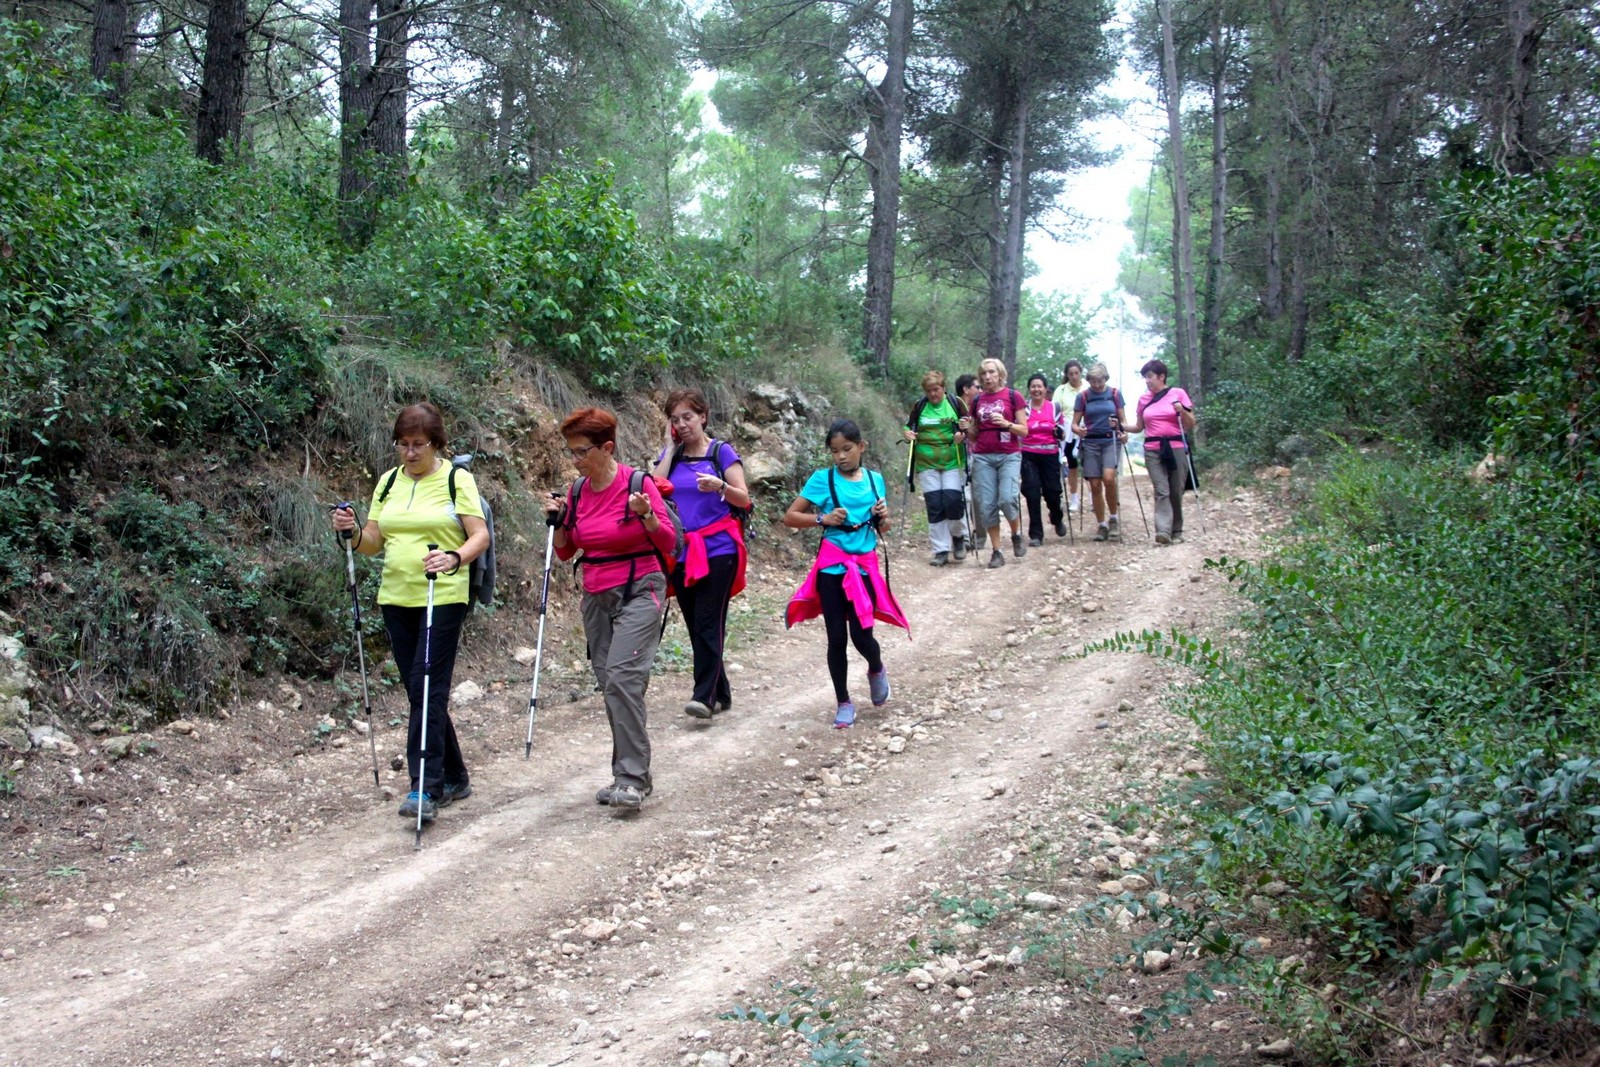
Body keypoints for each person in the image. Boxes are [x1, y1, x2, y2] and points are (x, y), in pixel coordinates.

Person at [331, 402, 490, 824]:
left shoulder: (456, 479)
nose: (410, 452)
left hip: (443, 595)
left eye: (418, 444)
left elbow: (479, 536)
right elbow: (372, 542)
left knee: (427, 686)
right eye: (402, 444)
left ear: (436, 443)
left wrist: (453, 557)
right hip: (396, 599)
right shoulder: (388, 482)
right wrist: (351, 530)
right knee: (420, 691)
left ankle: (425, 786)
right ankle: (455, 776)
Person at [544, 407, 677, 811]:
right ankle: (634, 775)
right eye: (570, 452)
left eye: (581, 452)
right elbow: (565, 552)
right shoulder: (577, 492)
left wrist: (647, 515)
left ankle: (630, 779)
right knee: (612, 683)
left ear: (607, 448)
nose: (574, 460)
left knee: (621, 678)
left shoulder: (637, 484)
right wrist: (558, 521)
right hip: (597, 595)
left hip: (641, 589)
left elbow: (670, 541)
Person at [782, 419, 907, 729]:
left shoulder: (875, 481)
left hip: (864, 566)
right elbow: (790, 517)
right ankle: (843, 702)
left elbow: (884, 528)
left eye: (847, 449)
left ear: (861, 447)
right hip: (831, 566)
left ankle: (876, 668)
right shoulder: (822, 480)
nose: (840, 456)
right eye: (834, 451)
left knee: (862, 636)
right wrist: (822, 518)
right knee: (836, 637)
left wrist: (883, 518)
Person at [652, 388, 750, 720]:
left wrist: (721, 486)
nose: (682, 424)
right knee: (696, 624)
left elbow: (744, 499)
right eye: (675, 419)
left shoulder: (721, 452)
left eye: (688, 417)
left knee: (708, 621)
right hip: (683, 551)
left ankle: (703, 697)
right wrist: (669, 449)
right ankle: (721, 691)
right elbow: (652, 490)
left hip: (719, 547)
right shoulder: (673, 457)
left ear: (703, 417)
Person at [959, 357, 1028, 568]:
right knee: (987, 505)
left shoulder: (1013, 396)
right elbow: (974, 435)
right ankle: (997, 551)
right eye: (984, 373)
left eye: (991, 372)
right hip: (983, 456)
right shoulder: (977, 400)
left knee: (1007, 499)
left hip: (1009, 455)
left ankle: (1016, 534)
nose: (987, 377)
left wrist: (1007, 424)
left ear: (1000, 374)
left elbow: (1024, 430)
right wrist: (966, 428)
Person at [1125, 358, 1197, 545]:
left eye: (1150, 376)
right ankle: (1163, 531)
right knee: (1161, 490)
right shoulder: (1143, 399)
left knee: (1176, 490)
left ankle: (1176, 530)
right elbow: (1139, 427)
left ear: (1161, 376)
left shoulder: (1178, 394)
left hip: (1176, 447)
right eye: (1145, 377)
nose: (1147, 381)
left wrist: (1182, 411)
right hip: (1152, 449)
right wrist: (1120, 426)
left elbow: (1191, 423)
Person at [901, 370, 969, 566]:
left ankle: (958, 537)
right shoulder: (920, 406)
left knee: (952, 501)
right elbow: (908, 426)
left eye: (936, 389)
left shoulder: (955, 403)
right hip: (926, 463)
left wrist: (962, 433)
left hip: (952, 461)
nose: (933, 394)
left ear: (943, 388)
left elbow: (967, 424)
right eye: (929, 390)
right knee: (935, 505)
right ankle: (941, 550)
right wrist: (907, 434)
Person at [1071, 364, 1128, 542]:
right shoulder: (1083, 397)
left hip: (1111, 440)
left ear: (1106, 379)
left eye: (1100, 381)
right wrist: (1078, 430)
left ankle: (1114, 519)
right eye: (1093, 381)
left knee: (1109, 479)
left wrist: (1123, 432)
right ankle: (1101, 524)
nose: (1096, 385)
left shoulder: (1115, 394)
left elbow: (1123, 420)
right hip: (1090, 442)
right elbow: (1074, 424)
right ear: (1088, 380)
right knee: (1095, 484)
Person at [1020, 373, 1066, 546]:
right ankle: (1036, 535)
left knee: (1052, 492)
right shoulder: (1023, 409)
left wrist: (1059, 433)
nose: (1036, 389)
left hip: (1050, 454)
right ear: (1029, 389)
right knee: (1032, 492)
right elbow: (1018, 430)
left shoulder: (1054, 408)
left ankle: (1056, 518)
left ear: (1045, 389)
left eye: (1039, 386)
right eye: (1033, 386)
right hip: (1028, 454)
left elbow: (1063, 432)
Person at [1052, 360, 1088, 513]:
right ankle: (1074, 498)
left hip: (1087, 429)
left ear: (1080, 373)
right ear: (1067, 375)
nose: (1074, 376)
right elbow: (1055, 410)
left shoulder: (1087, 387)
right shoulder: (1061, 390)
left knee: (1089, 465)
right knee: (1072, 465)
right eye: (1071, 374)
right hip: (1068, 432)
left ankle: (1093, 495)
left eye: (1076, 373)